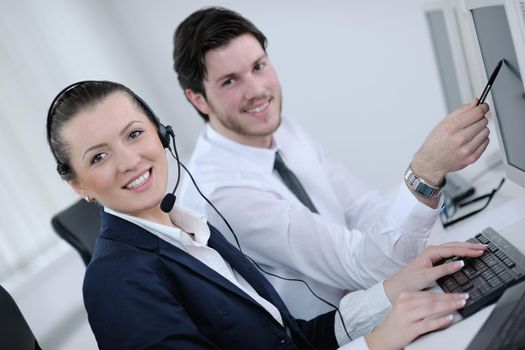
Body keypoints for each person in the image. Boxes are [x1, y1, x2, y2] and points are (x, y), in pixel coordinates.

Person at [46, 80, 487, 349]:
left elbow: (289, 340)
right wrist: (373, 345)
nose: (128, 161)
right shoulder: (116, 282)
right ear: (79, 184)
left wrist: (391, 292)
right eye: (99, 156)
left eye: (135, 134)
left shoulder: (188, 228)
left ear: (162, 134)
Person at [173, 7, 491, 319]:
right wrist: (426, 171)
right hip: (336, 333)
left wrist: (405, 249)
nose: (256, 91)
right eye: (230, 81)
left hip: (375, 297)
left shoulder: (281, 127)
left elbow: (363, 208)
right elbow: (361, 267)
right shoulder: (223, 191)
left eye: (258, 66)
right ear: (198, 99)